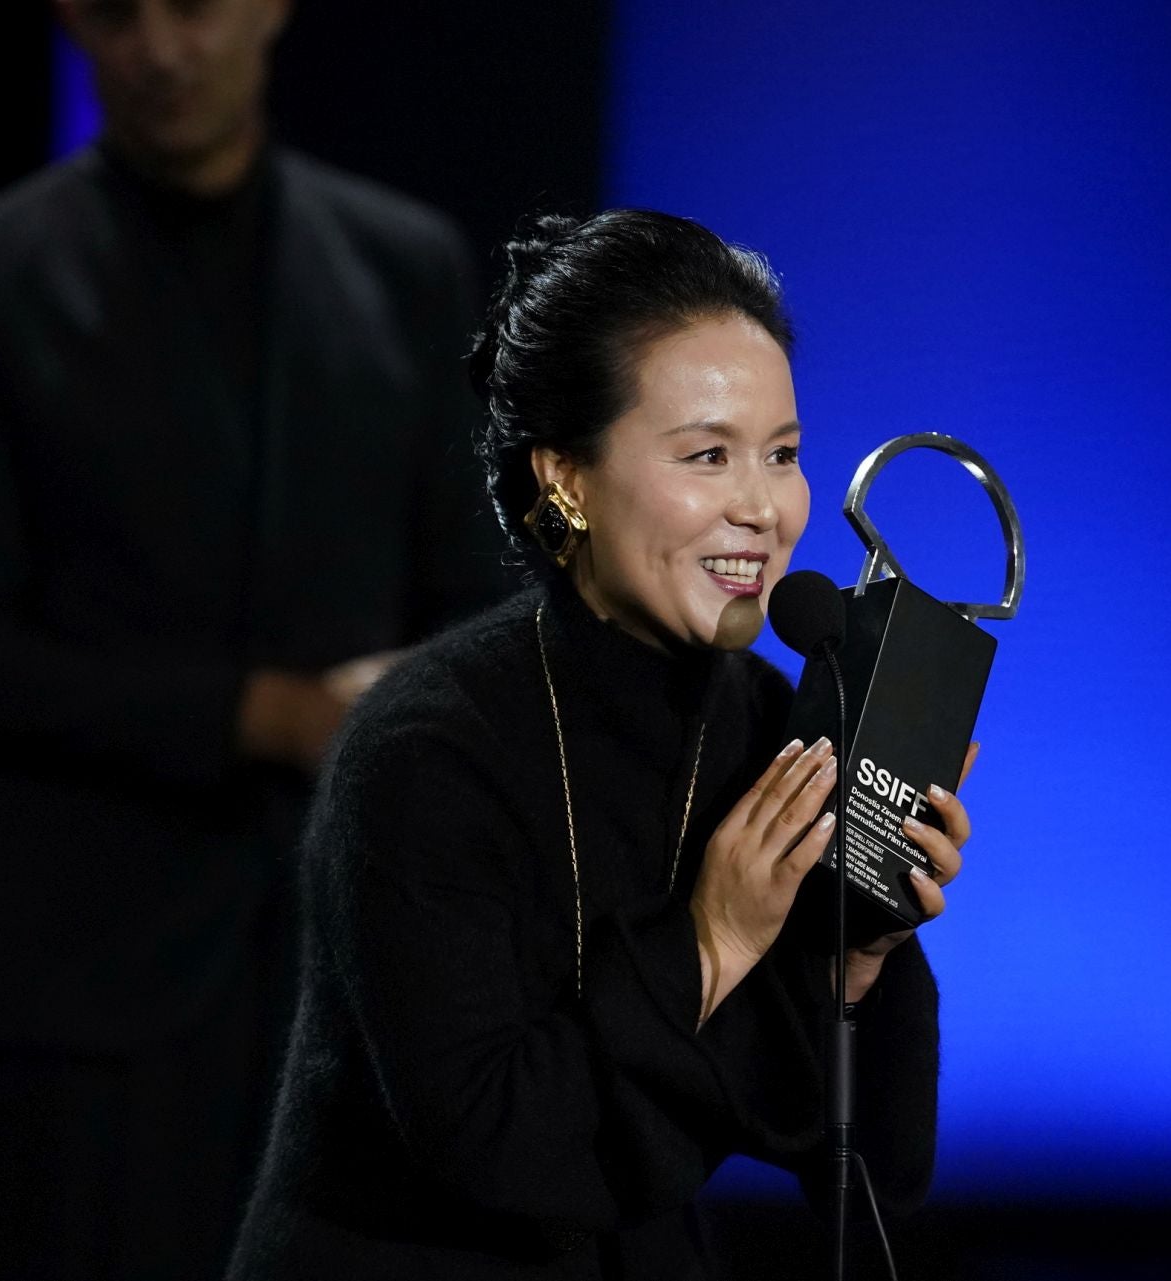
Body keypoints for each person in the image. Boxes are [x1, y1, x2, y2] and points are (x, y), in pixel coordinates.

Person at [228, 209, 979, 1278]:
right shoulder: (425, 748)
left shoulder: (770, 722)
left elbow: (872, 1174)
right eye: (708, 455)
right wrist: (710, 943)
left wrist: (859, 956)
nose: (763, 508)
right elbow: (491, 1141)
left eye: (782, 454)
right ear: (566, 480)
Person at [0, 1, 506, 1276]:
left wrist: (411, 707)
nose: (161, 50)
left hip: (351, 966)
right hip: (83, 980)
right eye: (120, 12)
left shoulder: (404, 263)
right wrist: (263, 714)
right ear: (69, 18)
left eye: (196, 6)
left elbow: (474, 594)